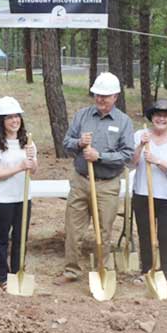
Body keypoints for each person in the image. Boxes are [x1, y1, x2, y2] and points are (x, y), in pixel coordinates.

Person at [55, 72, 134, 285]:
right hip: (80, 181)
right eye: (97, 94)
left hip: (107, 184)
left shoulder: (123, 122)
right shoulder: (82, 116)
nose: (100, 99)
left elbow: (127, 155)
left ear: (115, 96)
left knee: (104, 230)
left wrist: (101, 156)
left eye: (105, 96)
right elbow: (66, 142)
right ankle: (71, 270)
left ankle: (103, 270)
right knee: (73, 228)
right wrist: (79, 143)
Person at [0, 97, 37, 290]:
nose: (14, 121)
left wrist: (31, 160)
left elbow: (33, 170)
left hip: (22, 198)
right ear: (1, 122)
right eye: (9, 118)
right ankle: (3, 277)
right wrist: (20, 166)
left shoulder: (27, 142)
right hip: (0, 199)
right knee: (2, 238)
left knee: (21, 237)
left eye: (17, 117)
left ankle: (17, 272)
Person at [129, 99, 167, 287]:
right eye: (158, 115)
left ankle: (165, 275)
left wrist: (157, 161)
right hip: (143, 193)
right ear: (152, 117)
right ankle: (146, 271)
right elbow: (132, 162)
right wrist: (140, 146)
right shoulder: (140, 135)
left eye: (166, 116)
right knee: (145, 233)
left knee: (166, 235)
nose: (161, 118)